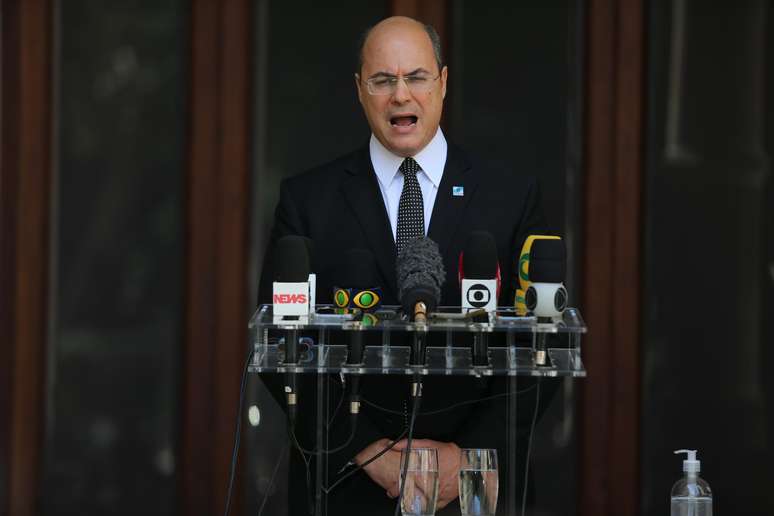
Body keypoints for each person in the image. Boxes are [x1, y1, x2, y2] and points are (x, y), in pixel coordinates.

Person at [258, 16, 556, 515]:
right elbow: (282, 345)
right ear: (359, 90)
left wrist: (462, 459)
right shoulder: (308, 200)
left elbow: (540, 344)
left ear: (442, 82)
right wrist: (370, 451)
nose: (401, 95)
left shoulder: (511, 196)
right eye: (382, 80)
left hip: (473, 483)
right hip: (347, 481)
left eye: (416, 77)